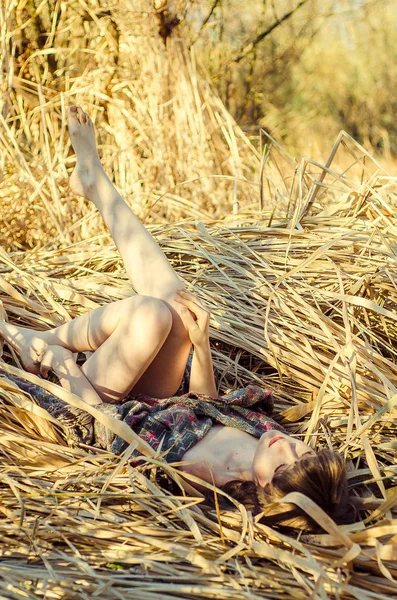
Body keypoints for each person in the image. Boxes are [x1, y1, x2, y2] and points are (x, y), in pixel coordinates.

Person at [0, 106, 353, 530]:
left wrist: (65, 369)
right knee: (178, 310)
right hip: (150, 398)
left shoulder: (208, 480)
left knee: (150, 314)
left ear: (267, 493)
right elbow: (205, 406)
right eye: (305, 451)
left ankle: (28, 339)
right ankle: (95, 182)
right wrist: (200, 345)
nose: (288, 446)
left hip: (94, 403)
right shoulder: (262, 443)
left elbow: (110, 440)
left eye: (285, 465)